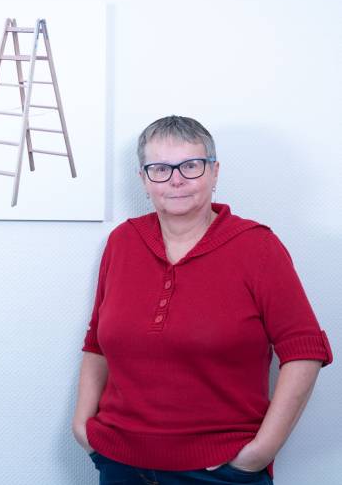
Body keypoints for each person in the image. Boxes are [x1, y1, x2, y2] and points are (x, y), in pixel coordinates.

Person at [72, 116, 333, 485]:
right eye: (160, 169)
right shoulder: (123, 242)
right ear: (144, 179)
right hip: (121, 464)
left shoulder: (257, 246)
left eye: (191, 166)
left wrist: (259, 453)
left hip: (219, 472)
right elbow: (97, 342)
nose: (176, 180)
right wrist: (82, 425)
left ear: (214, 172)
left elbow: (304, 351)